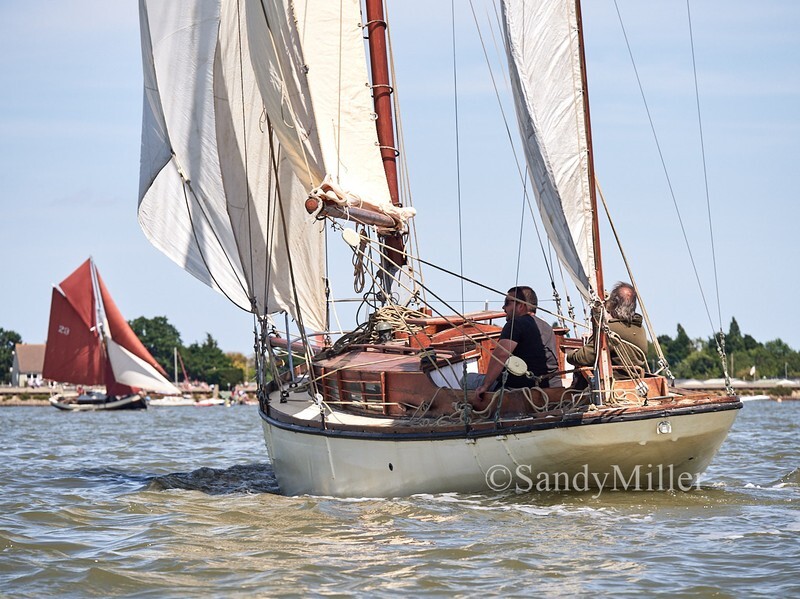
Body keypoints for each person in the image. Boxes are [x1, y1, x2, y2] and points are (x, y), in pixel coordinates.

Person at [473, 286, 562, 403]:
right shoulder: (548, 327)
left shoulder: (515, 324)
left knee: (466, 379)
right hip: (552, 388)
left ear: (520, 306)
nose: (503, 307)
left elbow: (501, 355)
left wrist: (485, 386)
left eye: (507, 303)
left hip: (520, 389)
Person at [567, 281, 648, 383]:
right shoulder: (640, 328)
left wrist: (570, 353)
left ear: (613, 304)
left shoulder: (610, 330)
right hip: (635, 384)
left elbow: (581, 358)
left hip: (614, 386)